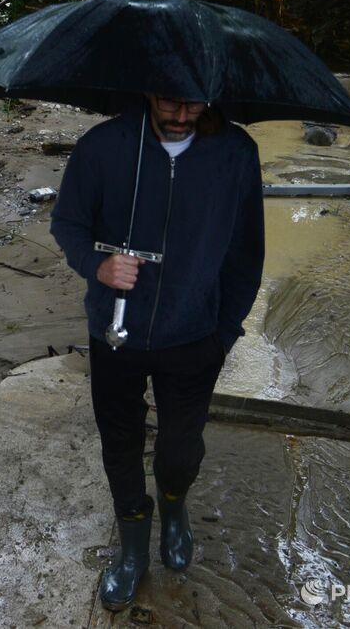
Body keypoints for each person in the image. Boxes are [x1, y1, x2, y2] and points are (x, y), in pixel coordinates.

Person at [50, 92, 265, 610]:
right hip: (115, 333)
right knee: (119, 445)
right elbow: (68, 224)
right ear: (148, 91)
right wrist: (97, 267)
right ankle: (131, 553)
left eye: (193, 105)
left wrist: (225, 331)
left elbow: (247, 249)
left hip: (195, 336)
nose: (181, 116)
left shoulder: (235, 152)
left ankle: (174, 507)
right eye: (170, 103)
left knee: (180, 450)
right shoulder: (104, 146)